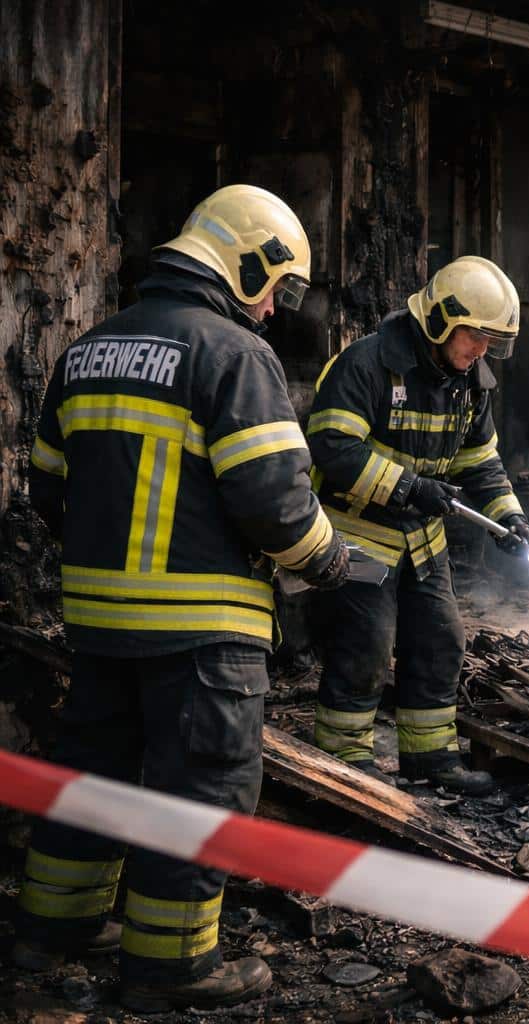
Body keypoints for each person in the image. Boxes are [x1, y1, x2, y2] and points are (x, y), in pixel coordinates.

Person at [17, 185, 348, 1009]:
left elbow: (49, 490)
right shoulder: (232, 355)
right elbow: (276, 503)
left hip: (97, 625)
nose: (275, 310)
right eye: (277, 289)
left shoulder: (89, 347)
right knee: (198, 789)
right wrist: (331, 560)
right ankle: (169, 966)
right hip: (203, 634)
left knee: (92, 770)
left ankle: (56, 923)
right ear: (247, 265)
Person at [307, 255, 529, 793]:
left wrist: (510, 517)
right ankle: (344, 763)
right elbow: (333, 449)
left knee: (440, 639)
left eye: (491, 343)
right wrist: (409, 487)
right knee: (365, 642)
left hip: (422, 544)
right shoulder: (367, 365)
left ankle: (430, 759)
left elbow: (480, 463)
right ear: (440, 320)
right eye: (476, 337)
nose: (482, 351)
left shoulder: (471, 384)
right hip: (355, 540)